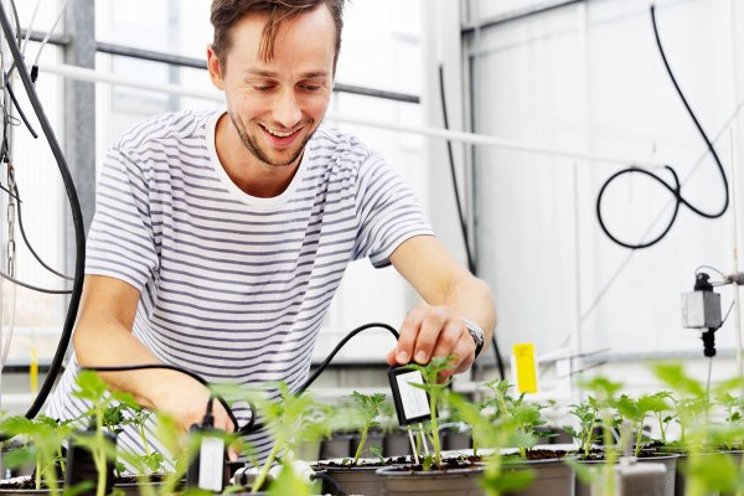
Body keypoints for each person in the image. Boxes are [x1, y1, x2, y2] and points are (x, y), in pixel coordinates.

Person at [46, 0, 496, 461]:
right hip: (103, 460)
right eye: (262, 84)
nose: (287, 114)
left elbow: (463, 288)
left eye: (311, 85)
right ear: (216, 68)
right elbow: (99, 329)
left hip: (245, 468)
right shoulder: (148, 159)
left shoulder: (353, 175)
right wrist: (173, 390)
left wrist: (460, 328)